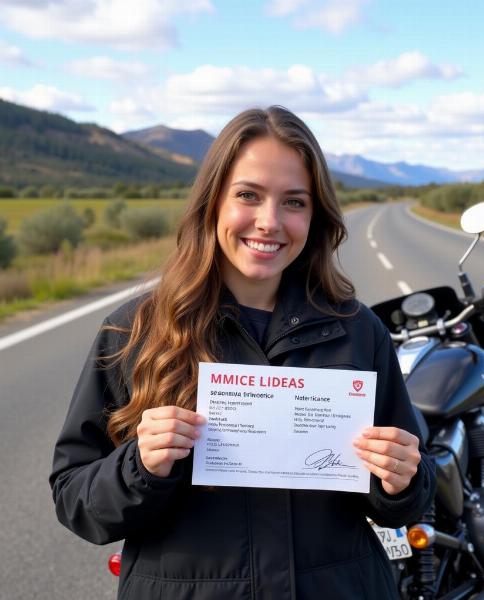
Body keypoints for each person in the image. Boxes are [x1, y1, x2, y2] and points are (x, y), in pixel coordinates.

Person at [50, 106, 435, 600]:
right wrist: (140, 465)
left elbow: (408, 499)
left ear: (315, 216)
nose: (269, 222)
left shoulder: (359, 331)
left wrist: (401, 480)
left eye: (294, 202)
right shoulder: (133, 330)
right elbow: (74, 499)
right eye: (248, 195)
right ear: (213, 202)